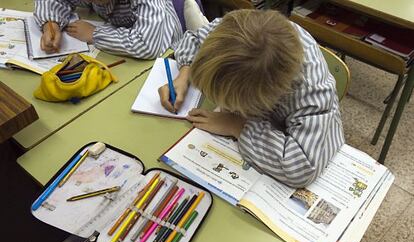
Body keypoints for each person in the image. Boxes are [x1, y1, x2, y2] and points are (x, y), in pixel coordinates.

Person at [158, 9, 345, 188]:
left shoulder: (312, 90)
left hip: (295, 131)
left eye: (229, 102)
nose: (221, 106)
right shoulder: (236, 33)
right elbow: (193, 38)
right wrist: (184, 75)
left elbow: (302, 167)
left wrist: (236, 125)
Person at [34, 0, 183, 59]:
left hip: (168, 53)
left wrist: (94, 33)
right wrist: (51, 24)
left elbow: (146, 45)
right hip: (120, 48)